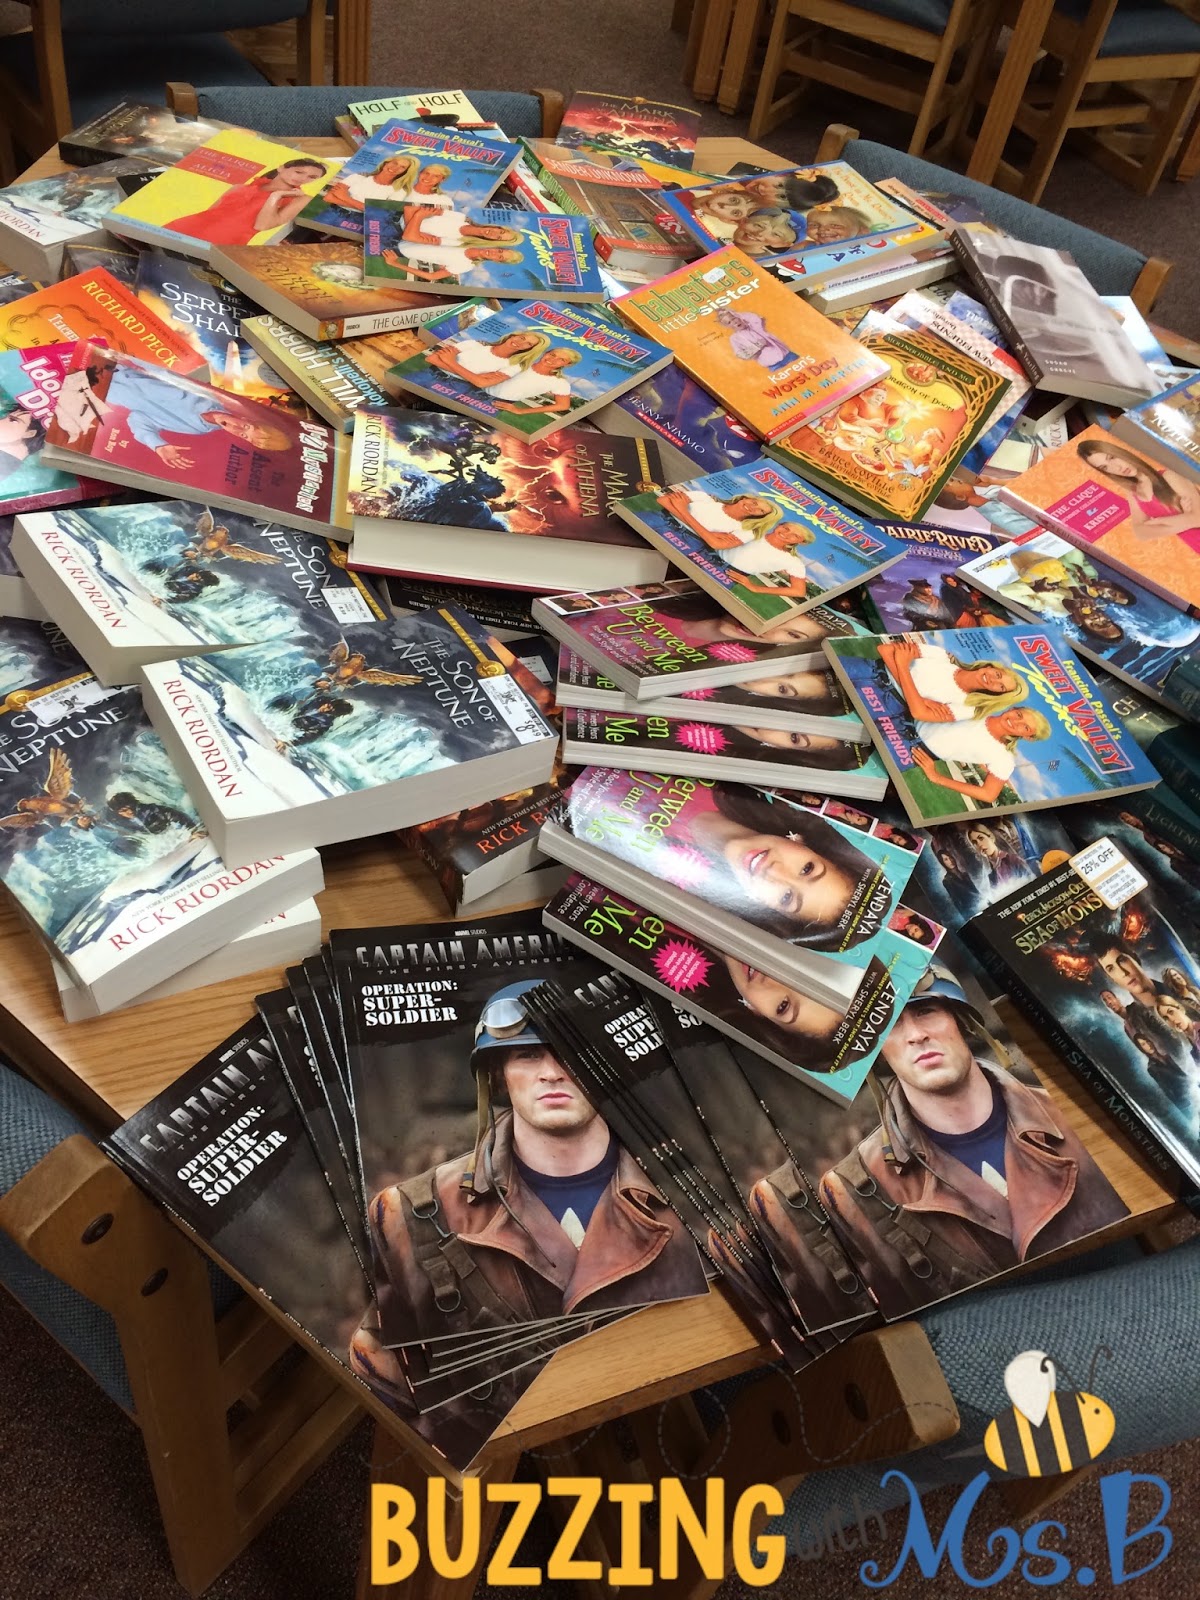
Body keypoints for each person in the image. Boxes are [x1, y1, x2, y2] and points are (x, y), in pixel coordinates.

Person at [351, 981, 705, 1374]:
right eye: (528, 1055)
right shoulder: (416, 1211)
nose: (552, 1073)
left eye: (572, 1053)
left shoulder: (690, 1188)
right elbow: (385, 1367)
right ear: (498, 1076)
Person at [816, 969, 1129, 1312]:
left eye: (926, 1011)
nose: (916, 1035)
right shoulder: (858, 1187)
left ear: (961, 1020)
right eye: (889, 1023)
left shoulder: (1072, 1112)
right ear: (877, 1050)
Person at [687, 785, 884, 946]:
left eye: (786, 897)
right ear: (809, 844)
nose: (774, 871)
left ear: (768, 911)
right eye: (807, 869)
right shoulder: (734, 782)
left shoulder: (685, 897)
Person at [63, 350, 291, 471]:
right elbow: (162, 371)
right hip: (111, 362)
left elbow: (139, 420)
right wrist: (122, 357)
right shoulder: (212, 394)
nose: (238, 429)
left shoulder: (196, 429)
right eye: (247, 427)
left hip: (95, 388)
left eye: (244, 436)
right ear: (248, 418)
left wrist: (158, 445)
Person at [656, 486, 815, 597]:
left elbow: (798, 591)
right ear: (778, 525)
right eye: (786, 528)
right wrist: (711, 534)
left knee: (687, 598)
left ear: (801, 542)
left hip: (728, 573)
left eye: (795, 536)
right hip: (705, 555)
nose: (786, 534)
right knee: (664, 578)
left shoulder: (792, 560)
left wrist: (755, 588)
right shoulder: (752, 533)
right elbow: (711, 539)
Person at [1077, 437, 1200, 553]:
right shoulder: (1134, 493)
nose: (1116, 468)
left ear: (1120, 452)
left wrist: (1160, 522)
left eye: (1112, 458)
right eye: (1105, 467)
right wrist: (1186, 519)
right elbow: (1140, 533)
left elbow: (1198, 518)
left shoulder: (1168, 477)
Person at [169, 158, 327, 247]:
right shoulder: (240, 187)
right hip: (183, 228)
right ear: (281, 168)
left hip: (224, 243)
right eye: (299, 172)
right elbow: (209, 213)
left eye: (312, 177)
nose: (303, 178)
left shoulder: (301, 199)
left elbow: (262, 225)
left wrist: (275, 196)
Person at [877, 636, 1027, 724]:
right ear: (991, 666)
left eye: (1000, 687)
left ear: (996, 694)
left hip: (888, 707)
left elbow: (918, 713)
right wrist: (921, 700)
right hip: (875, 673)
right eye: (998, 675)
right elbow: (885, 649)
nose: (993, 680)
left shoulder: (968, 708)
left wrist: (902, 665)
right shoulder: (941, 655)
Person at [382, 205, 524, 283]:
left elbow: (432, 276)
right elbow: (409, 210)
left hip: (394, 247)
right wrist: (414, 224)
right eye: (500, 232)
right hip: (393, 218)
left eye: (500, 257)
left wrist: (395, 264)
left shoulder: (465, 262)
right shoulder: (460, 221)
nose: (493, 234)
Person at [714, 306, 794, 368]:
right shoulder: (735, 338)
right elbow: (741, 355)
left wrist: (733, 313)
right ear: (727, 326)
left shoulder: (753, 325)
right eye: (729, 322)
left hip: (788, 355)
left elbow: (754, 317)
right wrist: (758, 345)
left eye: (734, 318)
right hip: (773, 364)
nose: (734, 322)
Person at [804, 205, 870, 244]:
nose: (822, 229)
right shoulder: (806, 246)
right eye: (814, 225)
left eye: (834, 225)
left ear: (861, 230)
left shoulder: (864, 248)